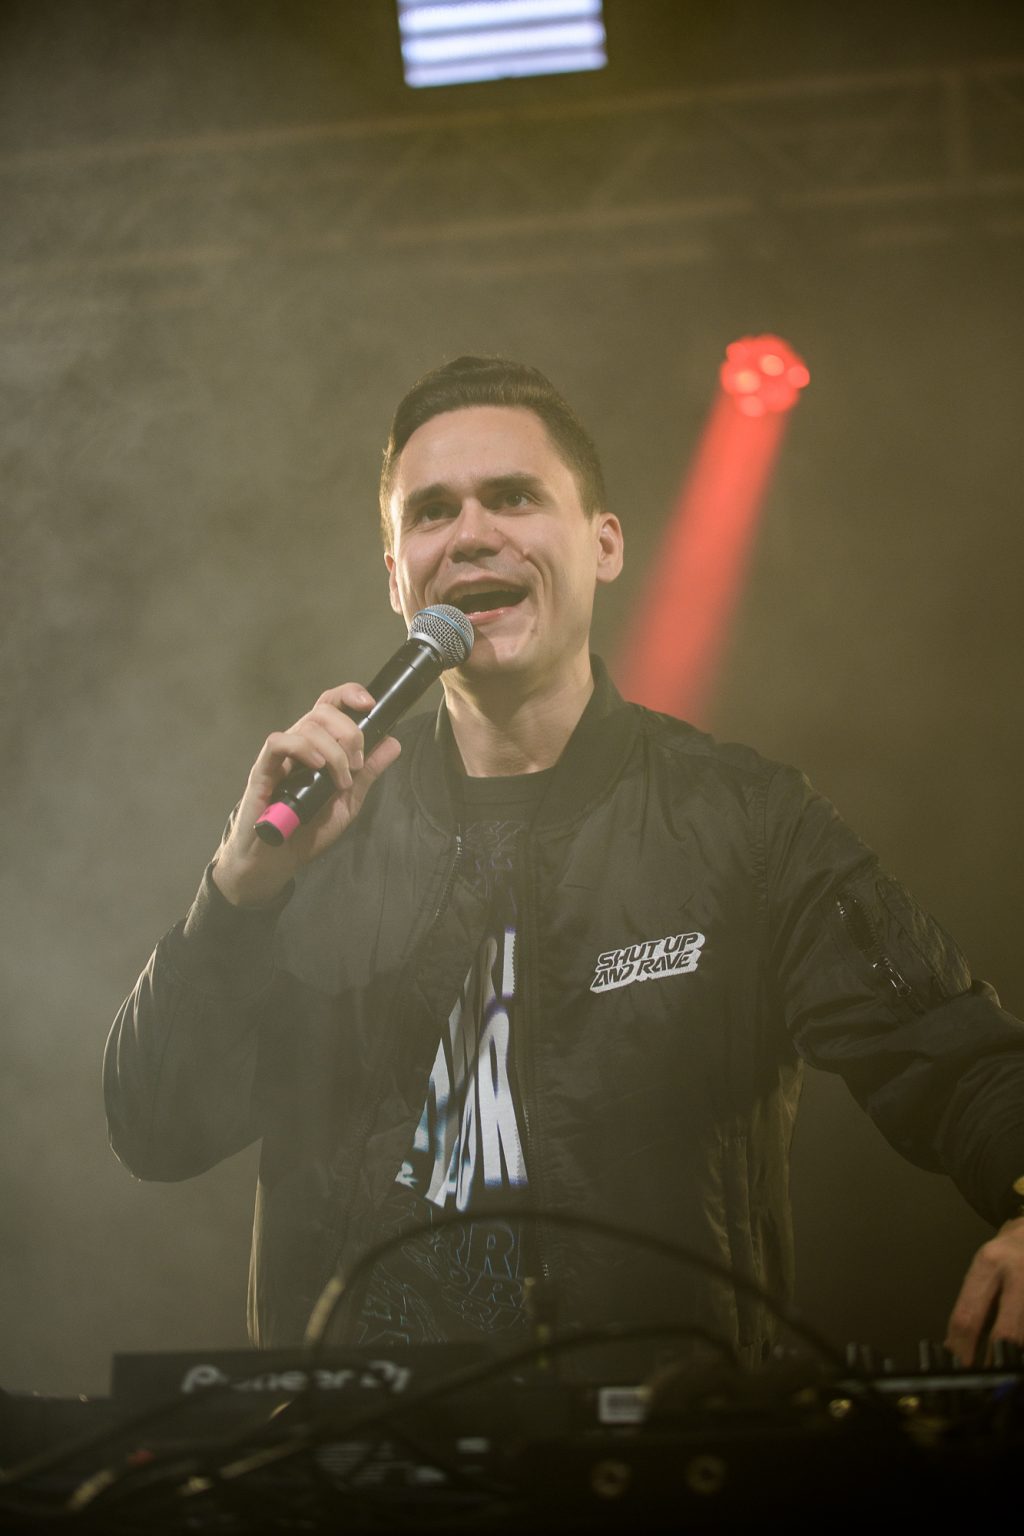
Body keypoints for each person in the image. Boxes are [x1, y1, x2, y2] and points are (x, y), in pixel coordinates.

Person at [106, 355, 1024, 1372]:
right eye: (432, 512)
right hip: (350, 1444)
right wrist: (237, 892)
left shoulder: (743, 823)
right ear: (397, 576)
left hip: (648, 1441)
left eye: (513, 497)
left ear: (605, 544)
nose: (470, 534)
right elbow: (156, 1128)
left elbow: (951, 1052)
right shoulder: (318, 841)